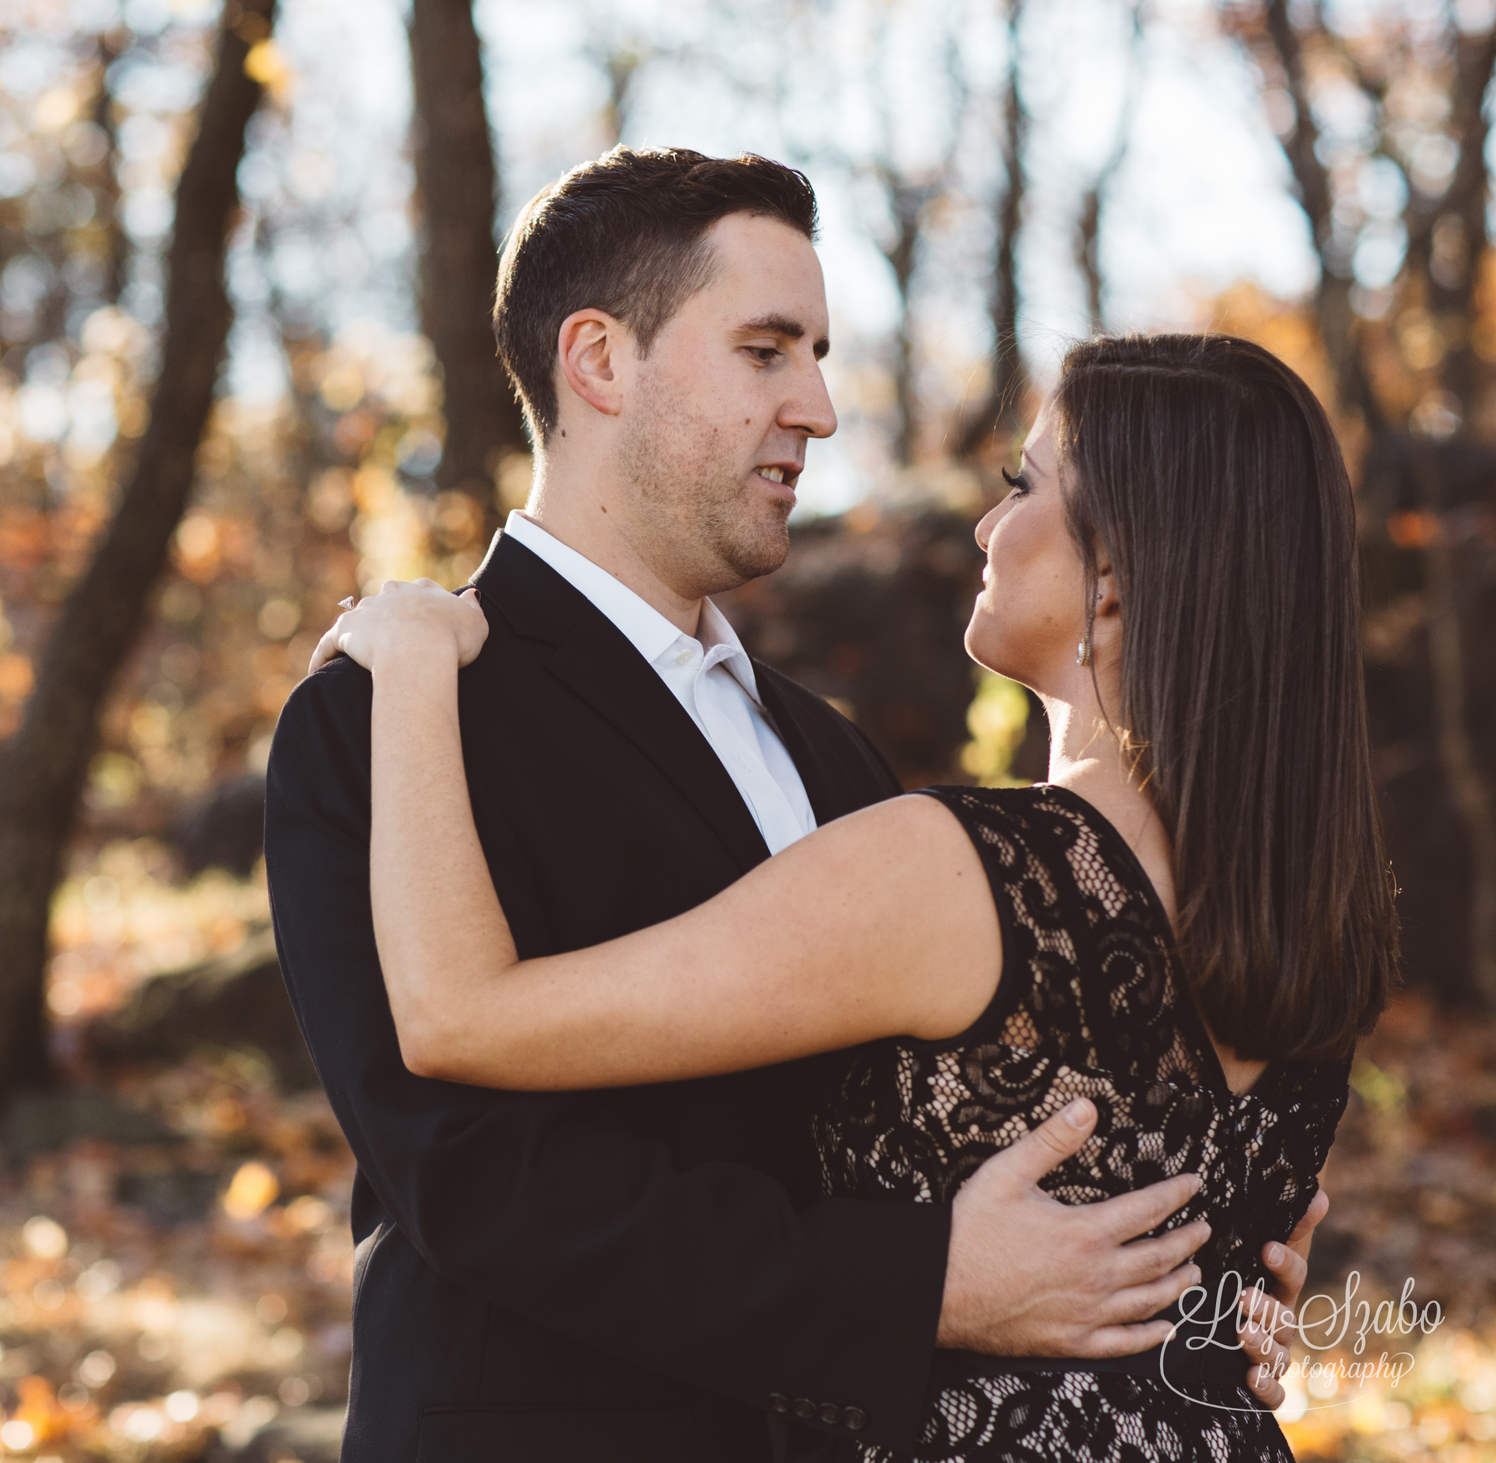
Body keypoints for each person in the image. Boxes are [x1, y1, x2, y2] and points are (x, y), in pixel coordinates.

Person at [263, 146, 1327, 1463]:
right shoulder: (389, 712)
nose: (820, 408)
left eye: (818, 353)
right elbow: (470, 1175)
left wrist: (1192, 1285)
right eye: (767, 352)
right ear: (597, 362)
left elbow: (955, 1124)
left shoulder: (831, 758)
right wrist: (917, 1283)